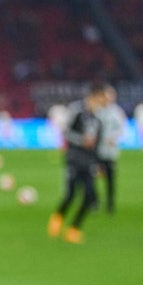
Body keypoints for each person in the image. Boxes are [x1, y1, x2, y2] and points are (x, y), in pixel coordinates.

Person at [47, 83, 104, 243]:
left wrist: (98, 163)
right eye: (100, 99)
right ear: (93, 97)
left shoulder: (97, 119)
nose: (101, 103)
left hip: (88, 162)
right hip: (74, 159)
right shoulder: (77, 111)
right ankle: (58, 218)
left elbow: (96, 144)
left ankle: (74, 228)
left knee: (90, 196)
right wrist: (80, 140)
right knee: (70, 195)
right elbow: (66, 132)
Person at [95, 84, 125, 214]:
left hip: (110, 152)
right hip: (96, 151)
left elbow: (122, 129)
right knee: (93, 177)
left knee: (110, 178)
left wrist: (113, 137)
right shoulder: (97, 111)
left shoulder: (117, 112)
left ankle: (110, 204)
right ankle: (93, 201)